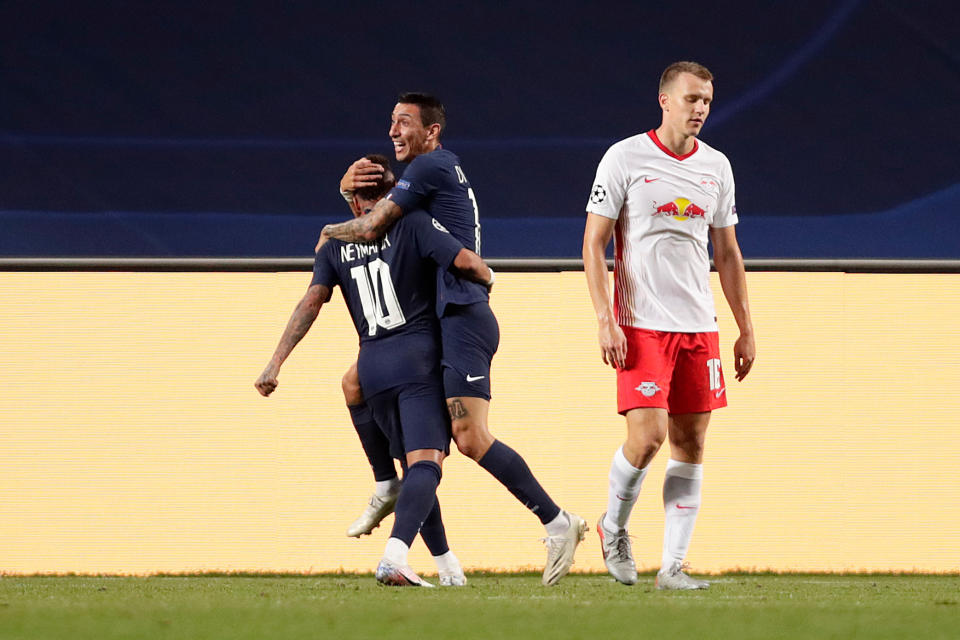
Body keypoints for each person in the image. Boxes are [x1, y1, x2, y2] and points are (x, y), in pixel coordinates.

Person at [318, 93, 586, 586]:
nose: (393, 131)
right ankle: (439, 557)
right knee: (375, 398)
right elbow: (382, 203)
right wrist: (344, 190)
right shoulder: (425, 182)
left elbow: (375, 221)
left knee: (468, 438)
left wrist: (329, 230)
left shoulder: (432, 166)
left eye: (404, 122)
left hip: (462, 316)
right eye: (390, 123)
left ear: (433, 132)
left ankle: (557, 521)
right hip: (446, 320)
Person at [256, 154, 492, 586]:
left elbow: (311, 303)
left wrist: (275, 363)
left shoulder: (332, 244)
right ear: (392, 196)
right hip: (416, 359)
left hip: (372, 367)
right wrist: (487, 277)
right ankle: (395, 556)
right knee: (427, 466)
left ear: (352, 201)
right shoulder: (412, 223)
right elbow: (465, 262)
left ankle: (445, 564)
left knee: (411, 471)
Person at [582, 61, 756, 589]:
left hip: (698, 326)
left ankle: (673, 568)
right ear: (664, 100)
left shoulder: (717, 167)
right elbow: (593, 243)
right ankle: (612, 526)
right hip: (641, 324)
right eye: (691, 99)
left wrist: (745, 327)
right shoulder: (625, 157)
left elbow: (726, 252)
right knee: (649, 435)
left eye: (706, 100)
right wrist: (605, 318)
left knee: (692, 442)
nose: (700, 108)